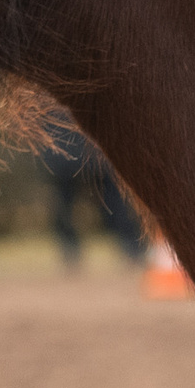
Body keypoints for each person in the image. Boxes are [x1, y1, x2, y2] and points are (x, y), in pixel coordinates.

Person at [35, 111, 146, 272]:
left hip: (86, 156)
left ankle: (131, 249)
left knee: (111, 205)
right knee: (67, 208)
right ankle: (72, 254)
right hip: (73, 157)